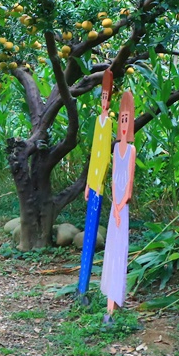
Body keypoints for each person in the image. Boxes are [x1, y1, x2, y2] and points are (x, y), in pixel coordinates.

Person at [77, 70, 113, 302]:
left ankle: (84, 288)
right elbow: (94, 155)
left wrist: (98, 182)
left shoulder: (108, 123)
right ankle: (81, 288)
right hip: (93, 183)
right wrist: (89, 183)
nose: (103, 100)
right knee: (88, 234)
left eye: (106, 97)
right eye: (102, 96)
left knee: (91, 236)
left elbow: (105, 157)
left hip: (99, 185)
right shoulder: (98, 122)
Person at [102, 90, 136, 322]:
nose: (123, 124)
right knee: (111, 250)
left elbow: (129, 185)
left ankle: (116, 299)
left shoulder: (131, 150)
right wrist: (113, 202)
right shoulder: (115, 149)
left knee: (120, 249)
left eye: (127, 120)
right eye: (121, 120)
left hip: (122, 207)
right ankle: (109, 302)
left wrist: (121, 204)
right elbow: (114, 177)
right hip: (115, 204)